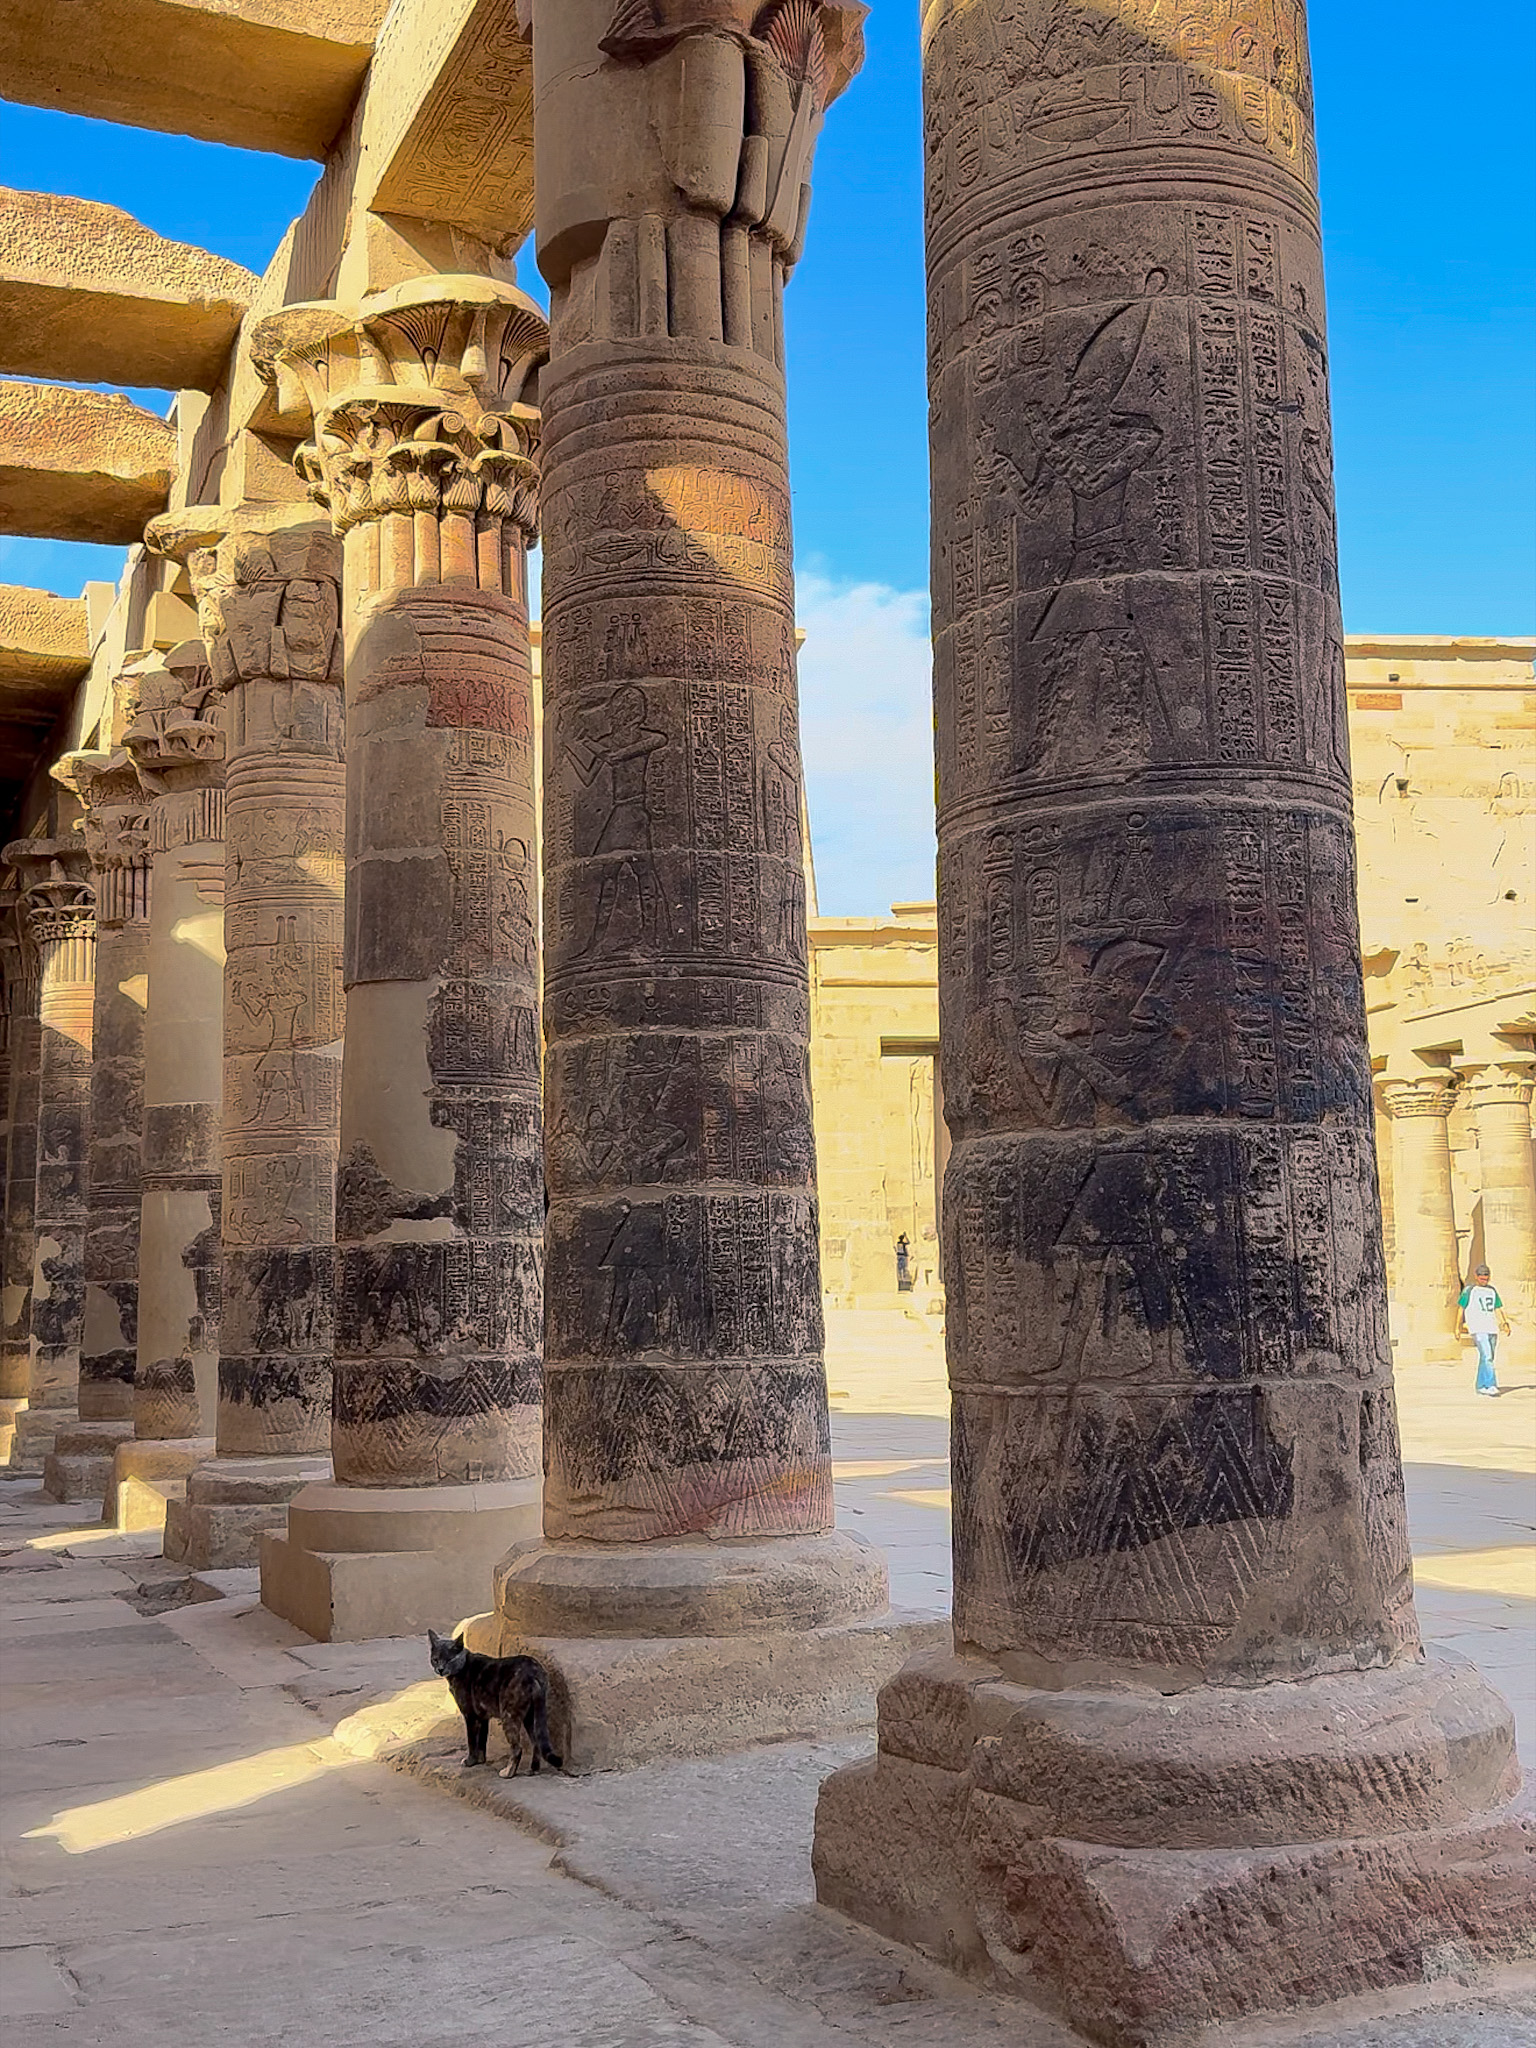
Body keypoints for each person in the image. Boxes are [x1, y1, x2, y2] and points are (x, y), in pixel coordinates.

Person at [1456, 1263, 1512, 1397]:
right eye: (1481, 1276)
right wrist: (1457, 1327)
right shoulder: (1469, 1290)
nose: (1484, 1278)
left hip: (1491, 1328)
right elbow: (1461, 1309)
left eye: (1486, 1276)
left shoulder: (1492, 1291)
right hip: (1477, 1328)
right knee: (1487, 1356)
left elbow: (1497, 1307)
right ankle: (1491, 1384)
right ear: (1476, 1276)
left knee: (1488, 1357)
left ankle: (1481, 1385)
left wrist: (1504, 1323)